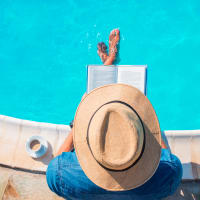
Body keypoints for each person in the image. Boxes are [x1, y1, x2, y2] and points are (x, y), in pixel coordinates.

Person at [46, 29, 182, 200]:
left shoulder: (58, 175)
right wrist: (148, 124)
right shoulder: (170, 173)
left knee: (97, 100)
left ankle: (109, 62)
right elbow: (164, 155)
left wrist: (78, 122)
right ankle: (110, 60)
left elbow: (57, 161)